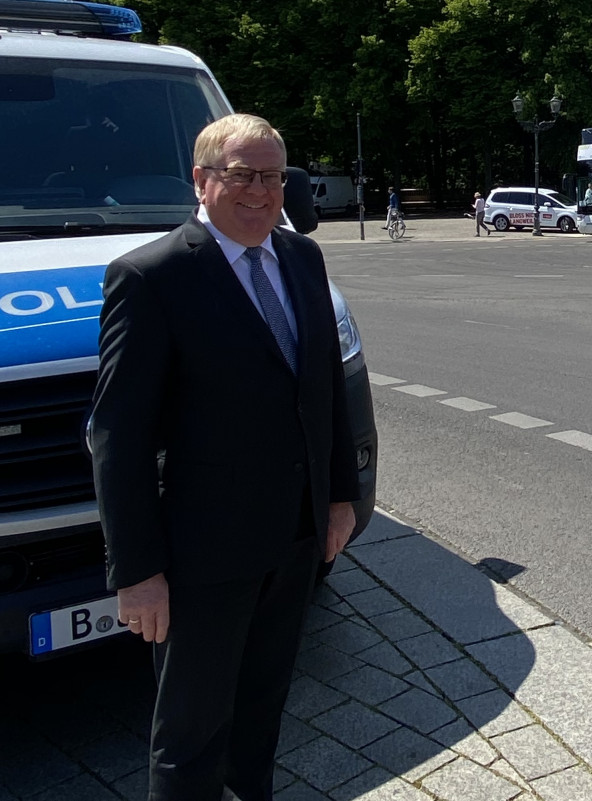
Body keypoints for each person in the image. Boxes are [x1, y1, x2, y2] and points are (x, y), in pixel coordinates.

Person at [91, 113, 360, 801]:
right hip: (201, 558)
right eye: (242, 175)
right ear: (202, 180)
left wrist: (338, 498)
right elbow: (117, 435)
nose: (261, 192)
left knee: (262, 715)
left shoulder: (302, 258)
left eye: (274, 177)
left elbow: (323, 389)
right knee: (190, 735)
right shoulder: (151, 277)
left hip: (294, 540)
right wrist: (138, 571)